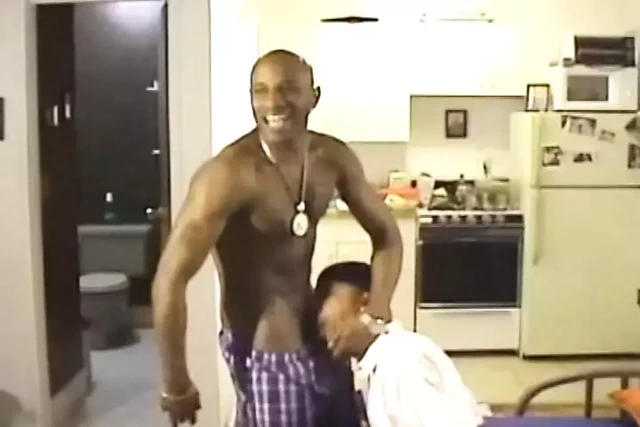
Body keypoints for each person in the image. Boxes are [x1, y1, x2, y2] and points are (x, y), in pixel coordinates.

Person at [152, 49, 402, 427]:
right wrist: (176, 383)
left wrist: (374, 315)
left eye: (287, 89)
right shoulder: (228, 175)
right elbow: (169, 280)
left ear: (314, 96)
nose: (273, 103)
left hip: (322, 338)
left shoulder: (331, 158)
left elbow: (387, 236)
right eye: (261, 91)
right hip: (266, 353)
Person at [315, 261, 485, 427]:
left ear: (364, 303)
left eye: (323, 301)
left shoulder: (402, 362)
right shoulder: (375, 365)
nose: (319, 319)